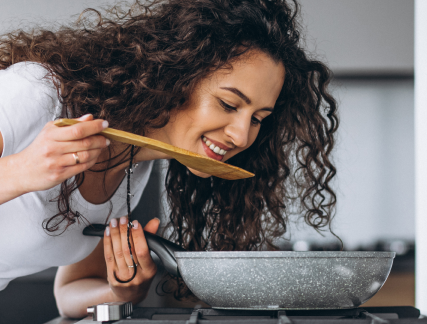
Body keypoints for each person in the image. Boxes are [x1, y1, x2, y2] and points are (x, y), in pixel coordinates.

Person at [0, 0, 338, 318]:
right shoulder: (39, 94)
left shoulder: (134, 166)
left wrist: (123, 292)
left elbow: (68, 294)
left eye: (257, 118)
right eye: (229, 104)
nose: (241, 135)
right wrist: (19, 171)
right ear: (177, 76)